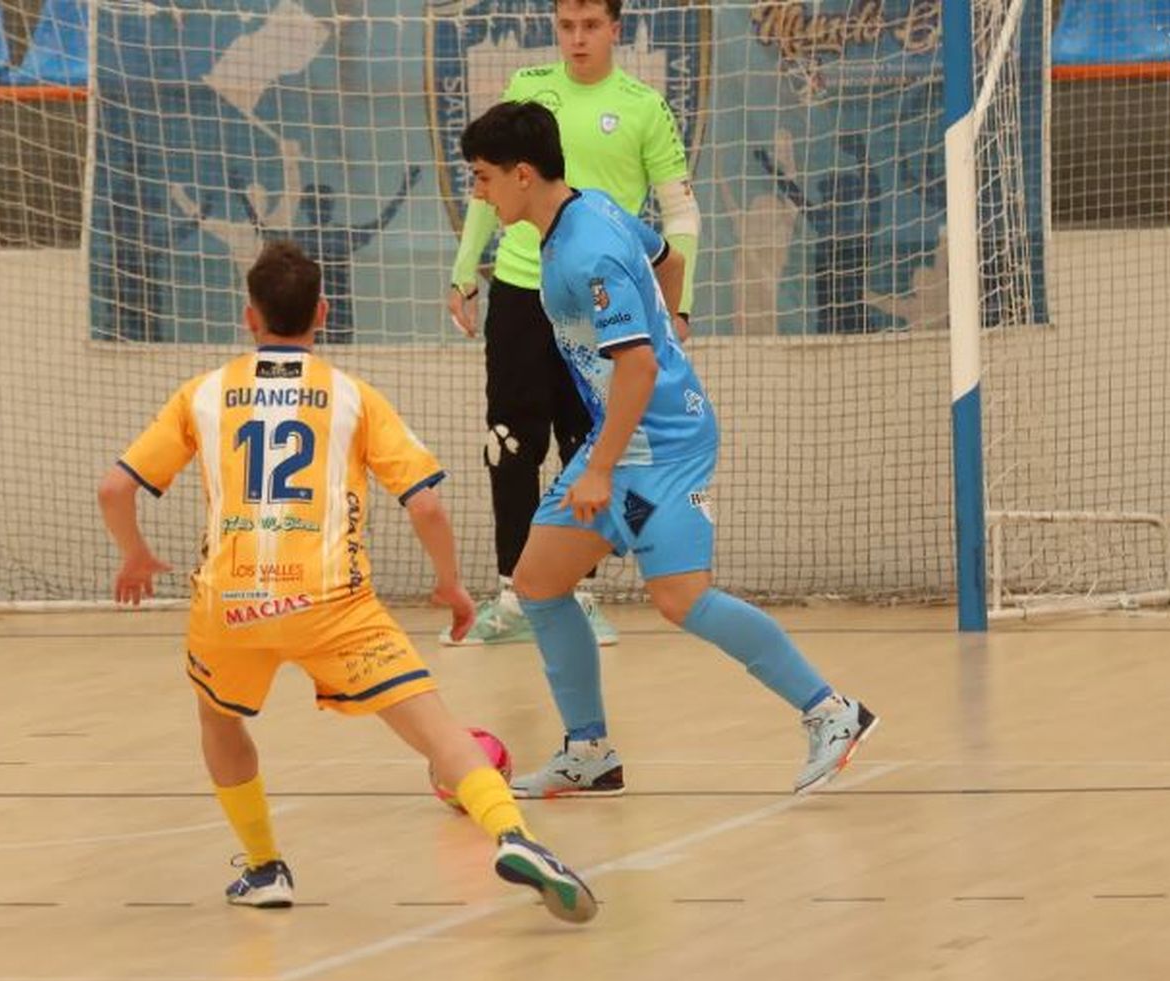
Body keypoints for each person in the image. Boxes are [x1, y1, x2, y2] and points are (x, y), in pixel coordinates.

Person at [96, 240, 596, 922]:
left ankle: (265, 867)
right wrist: (451, 586)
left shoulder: (204, 394)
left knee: (219, 719)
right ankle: (515, 835)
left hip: (229, 601)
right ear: (323, 313)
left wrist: (135, 556)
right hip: (331, 601)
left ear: (250, 318)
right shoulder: (352, 397)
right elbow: (425, 503)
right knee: (435, 727)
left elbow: (114, 489)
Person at [458, 102, 879, 798]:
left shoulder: (587, 249)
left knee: (681, 598)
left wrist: (598, 465)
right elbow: (668, 259)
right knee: (537, 583)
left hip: (663, 444)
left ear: (522, 175)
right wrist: (672, 321)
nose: (478, 192)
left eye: (481, 178)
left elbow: (640, 367)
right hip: (620, 435)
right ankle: (588, 750)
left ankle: (833, 712)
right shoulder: (588, 213)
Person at [443, 0, 703, 647]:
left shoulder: (642, 106)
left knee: (584, 436)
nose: (578, 38)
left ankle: (576, 592)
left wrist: (678, 307)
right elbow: (489, 183)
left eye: (591, 26)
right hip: (524, 287)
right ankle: (512, 590)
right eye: (566, 26)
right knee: (508, 437)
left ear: (615, 29)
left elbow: (679, 215)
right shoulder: (529, 91)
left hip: (597, 296)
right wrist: (465, 266)